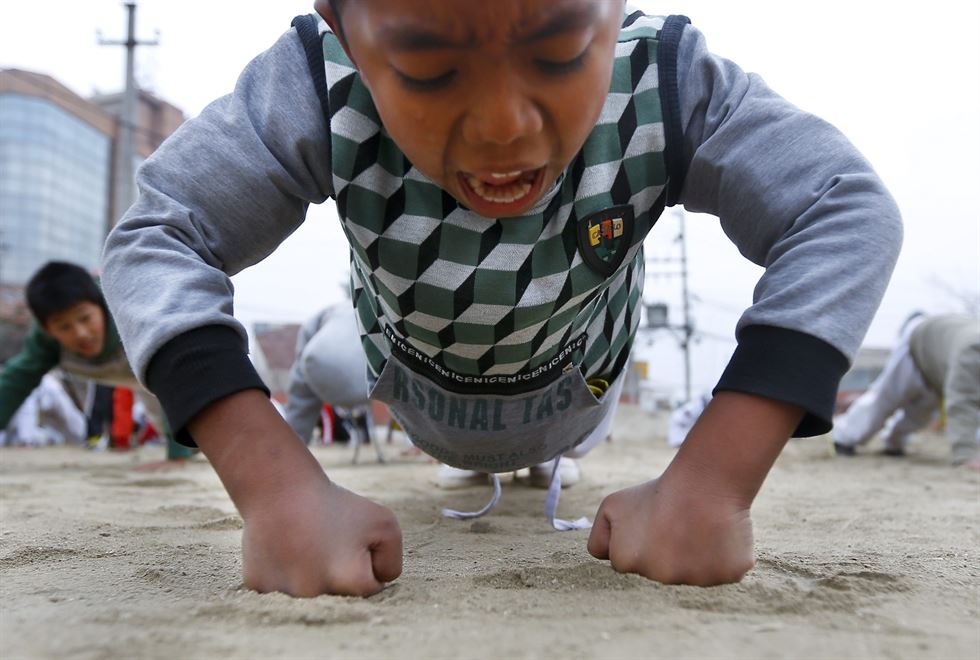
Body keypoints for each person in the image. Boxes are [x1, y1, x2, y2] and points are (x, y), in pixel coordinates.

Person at [101, 0, 902, 597]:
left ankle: (545, 457)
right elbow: (157, 237)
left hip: (578, 387)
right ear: (343, 31)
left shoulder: (664, 81)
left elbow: (843, 207)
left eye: (557, 55)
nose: (502, 125)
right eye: (427, 69)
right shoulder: (316, 83)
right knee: (328, 350)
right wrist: (272, 485)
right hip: (412, 389)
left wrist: (716, 481)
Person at [0, 261, 193, 463]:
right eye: (64, 327)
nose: (81, 333)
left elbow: (174, 375)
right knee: (173, 429)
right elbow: (14, 383)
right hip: (130, 376)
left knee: (190, 434)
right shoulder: (44, 342)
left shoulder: (133, 312)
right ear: (48, 330)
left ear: (102, 305)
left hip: (166, 370)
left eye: (85, 318)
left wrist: (177, 457)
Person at [833, 314, 980, 467]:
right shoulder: (973, 351)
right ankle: (843, 438)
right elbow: (963, 401)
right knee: (885, 399)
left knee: (920, 414)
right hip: (921, 341)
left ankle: (894, 444)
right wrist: (965, 455)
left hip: (940, 366)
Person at [284, 303, 382, 463]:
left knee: (301, 386)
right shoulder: (361, 305)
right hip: (371, 373)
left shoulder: (324, 315)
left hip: (320, 360)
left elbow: (298, 394)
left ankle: (291, 452)